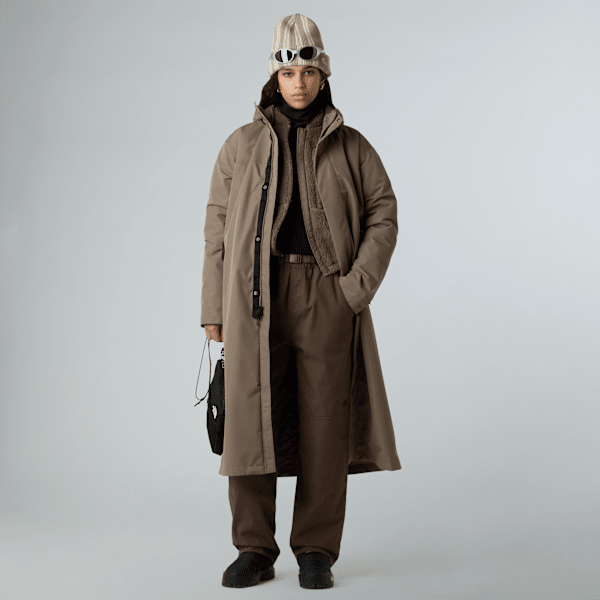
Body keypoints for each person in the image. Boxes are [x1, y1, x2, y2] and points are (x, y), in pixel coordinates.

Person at [200, 14, 402, 589]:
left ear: (322, 75)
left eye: (308, 71)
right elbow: (216, 231)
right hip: (254, 297)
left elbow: (383, 213)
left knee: (324, 421)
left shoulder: (352, 145)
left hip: (326, 294)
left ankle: (316, 549)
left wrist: (353, 289)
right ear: (275, 75)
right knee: (249, 419)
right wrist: (213, 309)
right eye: (288, 72)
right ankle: (253, 548)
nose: (298, 82)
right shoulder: (240, 146)